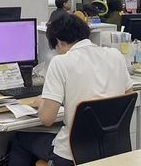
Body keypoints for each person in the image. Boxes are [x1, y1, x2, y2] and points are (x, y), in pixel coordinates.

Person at [8, 14, 133, 166]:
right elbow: (127, 97)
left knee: (20, 138)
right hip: (112, 148)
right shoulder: (115, 55)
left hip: (72, 154)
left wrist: (43, 103)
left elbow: (47, 119)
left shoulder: (61, 62)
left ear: (59, 42)